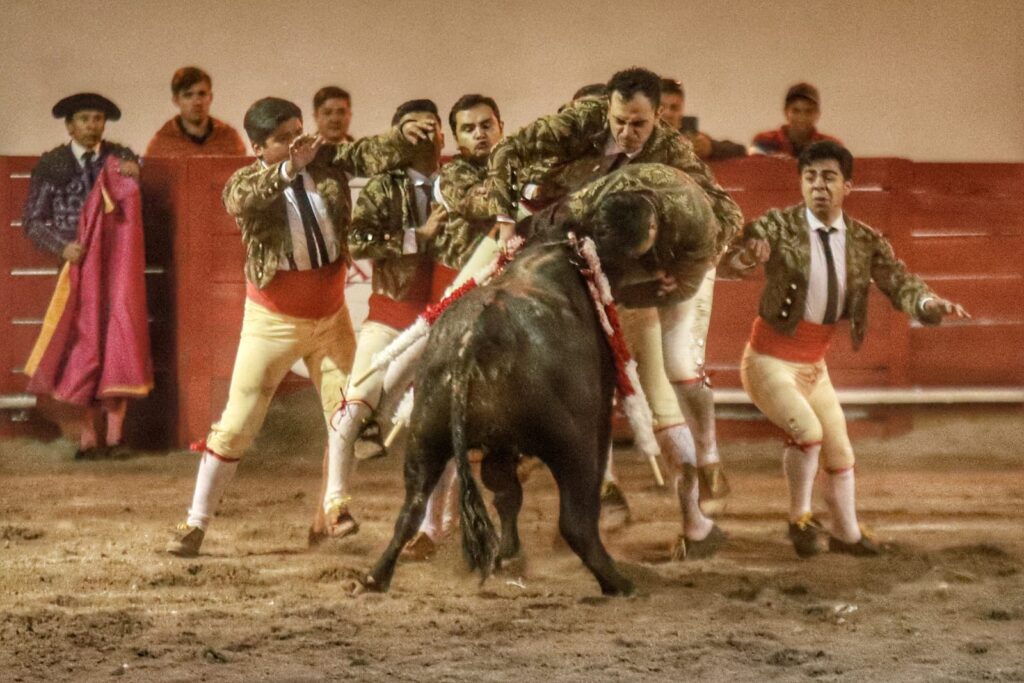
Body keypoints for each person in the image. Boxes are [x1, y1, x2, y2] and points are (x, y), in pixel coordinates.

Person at [166, 96, 436, 557]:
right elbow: (242, 200)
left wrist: (401, 134)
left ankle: (334, 508)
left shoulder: (326, 157)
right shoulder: (246, 181)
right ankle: (194, 524)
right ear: (257, 148)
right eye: (284, 140)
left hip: (330, 317)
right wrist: (289, 169)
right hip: (271, 323)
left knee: (347, 412)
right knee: (236, 425)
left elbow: (368, 153)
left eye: (299, 132)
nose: (299, 143)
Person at [485, 66, 743, 520]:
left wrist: (685, 270)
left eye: (638, 123)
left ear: (659, 116)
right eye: (618, 120)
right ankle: (599, 487)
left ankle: (699, 504)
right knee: (587, 387)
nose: (625, 132)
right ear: (606, 108)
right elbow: (509, 149)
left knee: (667, 386)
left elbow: (725, 213)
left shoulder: (672, 153)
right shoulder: (582, 121)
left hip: (636, 281)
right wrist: (505, 218)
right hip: (584, 275)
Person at [721, 141, 968, 557]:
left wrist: (927, 304)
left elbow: (899, 281)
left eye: (829, 177)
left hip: (813, 364)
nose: (818, 185)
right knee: (809, 432)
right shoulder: (778, 226)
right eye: (810, 176)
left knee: (840, 449)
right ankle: (800, 517)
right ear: (801, 182)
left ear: (848, 185)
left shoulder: (863, 240)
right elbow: (735, 254)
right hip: (768, 360)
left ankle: (846, 533)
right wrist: (747, 256)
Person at [319, 99, 447, 542]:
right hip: (392, 313)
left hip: (445, 321)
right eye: (413, 129)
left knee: (441, 424)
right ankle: (335, 504)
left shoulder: (459, 182)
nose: (425, 138)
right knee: (354, 404)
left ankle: (432, 528)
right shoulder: (381, 186)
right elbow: (358, 243)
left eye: (432, 129)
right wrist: (418, 237)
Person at [397, 93, 506, 560]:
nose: (480, 133)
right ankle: (429, 525)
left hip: (506, 307)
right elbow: (484, 206)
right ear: (455, 138)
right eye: (469, 128)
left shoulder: (514, 167)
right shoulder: (454, 177)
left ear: (501, 126)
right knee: (441, 417)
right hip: (455, 303)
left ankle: (476, 522)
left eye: (487, 125)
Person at [22, 93, 149, 459]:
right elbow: (33, 220)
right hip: (75, 269)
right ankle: (87, 438)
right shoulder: (52, 164)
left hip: (114, 267)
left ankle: (115, 436)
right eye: (85, 119)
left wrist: (136, 170)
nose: (93, 125)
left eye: (97, 119)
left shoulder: (119, 157)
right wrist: (63, 246)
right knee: (82, 347)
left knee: (116, 343)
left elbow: (134, 171)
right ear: (70, 125)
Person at [145, 67, 246, 157]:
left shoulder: (230, 139)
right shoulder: (162, 144)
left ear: (210, 97)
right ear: (176, 100)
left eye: (202, 94)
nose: (197, 102)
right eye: (188, 95)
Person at [658, 78, 745, 162]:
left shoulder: (692, 139)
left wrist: (711, 148)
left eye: (674, 108)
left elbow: (740, 150)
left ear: (681, 111)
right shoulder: (644, 137)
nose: (667, 113)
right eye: (661, 107)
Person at [751, 82, 841, 158]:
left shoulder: (832, 146)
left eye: (808, 111)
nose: (802, 117)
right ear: (786, 112)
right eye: (796, 111)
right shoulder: (764, 141)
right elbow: (753, 173)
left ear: (817, 113)